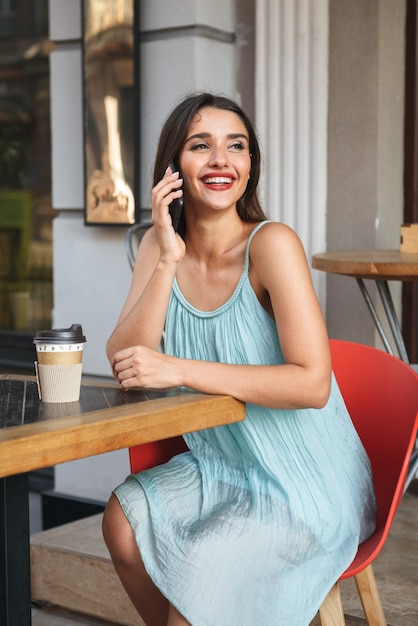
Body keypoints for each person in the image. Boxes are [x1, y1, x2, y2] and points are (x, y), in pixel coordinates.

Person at [102, 92, 376, 626]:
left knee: (196, 601)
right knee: (120, 521)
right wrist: (167, 262)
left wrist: (180, 370)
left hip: (304, 480)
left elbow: (312, 384)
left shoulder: (272, 244)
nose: (221, 160)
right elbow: (126, 361)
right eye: (200, 145)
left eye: (237, 146)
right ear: (173, 168)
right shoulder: (160, 249)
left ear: (251, 166)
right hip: (220, 466)